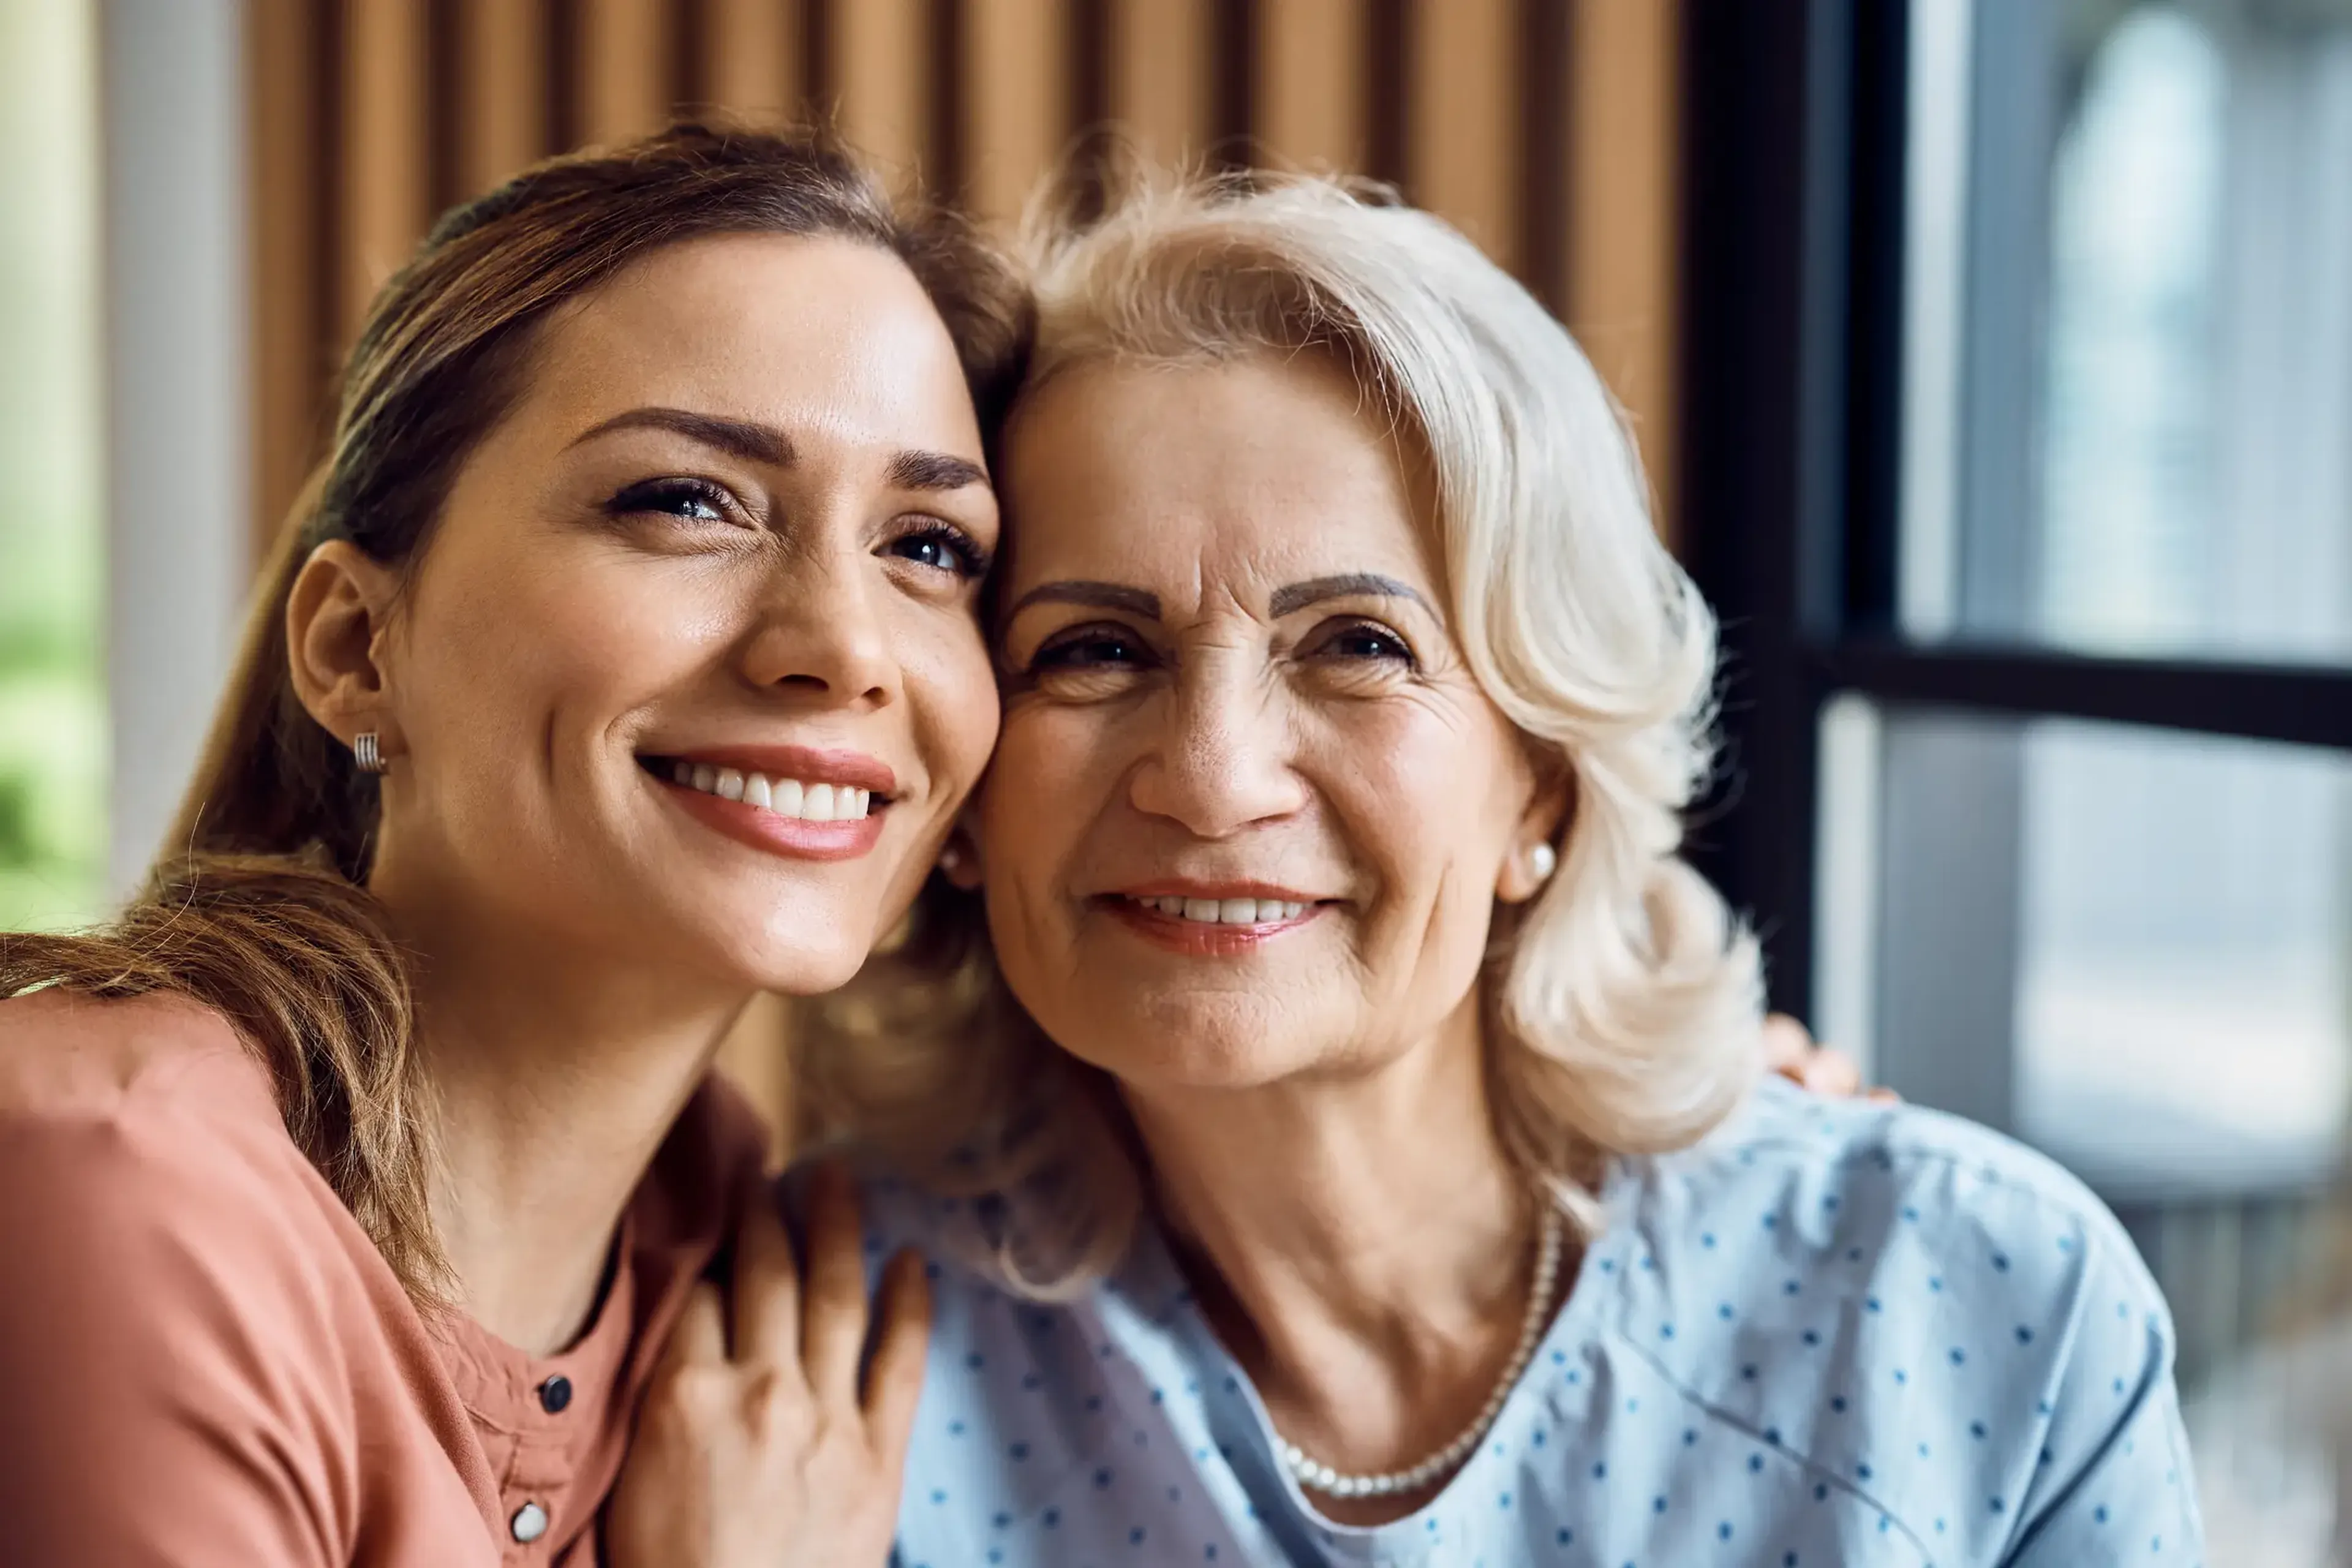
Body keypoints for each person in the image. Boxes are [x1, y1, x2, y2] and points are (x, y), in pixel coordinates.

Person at [782, 170, 2211, 1564]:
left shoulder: (1978, 1297)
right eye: (1094, 650)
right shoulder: (813, 1360)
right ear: (964, 784)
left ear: (1543, 782)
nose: (1212, 778)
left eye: (1357, 645)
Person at [0, 125, 1024, 1567]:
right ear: (358, 647)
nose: (845, 647)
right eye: (687, 500)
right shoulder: (110, 1172)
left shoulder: (729, 1245)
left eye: (930, 546)